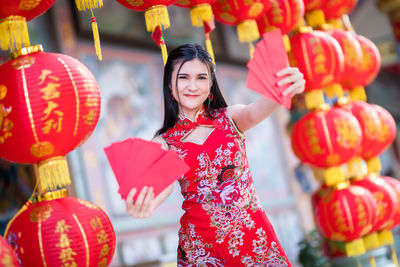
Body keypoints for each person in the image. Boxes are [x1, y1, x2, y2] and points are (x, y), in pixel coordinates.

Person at [125, 44, 305, 266]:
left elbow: (255, 110)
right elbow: (161, 186)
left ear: (210, 85)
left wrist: (283, 89)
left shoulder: (231, 118)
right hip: (201, 251)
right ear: (170, 86)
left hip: (253, 240)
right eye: (183, 78)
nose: (192, 86)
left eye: (201, 78)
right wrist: (146, 202)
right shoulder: (165, 143)